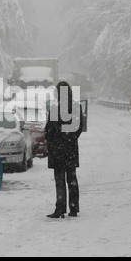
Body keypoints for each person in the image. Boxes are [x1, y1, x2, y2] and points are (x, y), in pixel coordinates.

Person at [45, 81, 84, 218]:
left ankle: (60, 209)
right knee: (72, 179)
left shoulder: (56, 108)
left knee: (60, 180)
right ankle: (73, 208)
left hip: (57, 150)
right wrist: (70, 139)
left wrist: (53, 140)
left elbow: (50, 130)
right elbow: (79, 128)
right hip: (70, 148)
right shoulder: (76, 107)